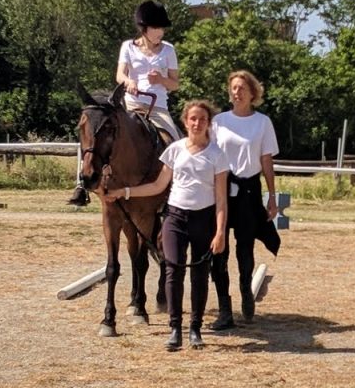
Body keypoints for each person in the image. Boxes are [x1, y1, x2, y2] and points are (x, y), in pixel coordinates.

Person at [103, 100, 227, 351]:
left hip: (203, 217)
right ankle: (174, 328)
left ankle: (195, 328)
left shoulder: (217, 155)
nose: (197, 123)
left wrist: (221, 231)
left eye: (202, 119)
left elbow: (221, 197)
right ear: (186, 121)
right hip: (175, 217)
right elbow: (158, 186)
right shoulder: (174, 150)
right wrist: (124, 192)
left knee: (200, 274)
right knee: (173, 270)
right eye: (193, 118)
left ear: (208, 123)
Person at [209, 70, 281, 330]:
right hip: (221, 188)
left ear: (252, 93)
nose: (236, 93)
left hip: (249, 190)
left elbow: (266, 160)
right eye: (233, 88)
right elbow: (210, 155)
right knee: (219, 249)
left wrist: (272, 196)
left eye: (241, 88)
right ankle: (224, 309)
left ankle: (245, 289)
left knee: (245, 247)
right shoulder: (218, 121)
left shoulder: (262, 123)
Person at [116, 0, 182, 141]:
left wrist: (161, 80)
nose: (161, 32)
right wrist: (128, 82)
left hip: (157, 108)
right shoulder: (127, 46)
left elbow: (175, 85)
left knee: (175, 145)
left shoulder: (169, 50)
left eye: (162, 28)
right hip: (131, 105)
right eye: (156, 28)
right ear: (143, 28)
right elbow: (119, 75)